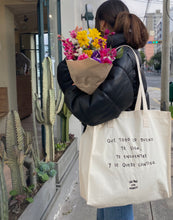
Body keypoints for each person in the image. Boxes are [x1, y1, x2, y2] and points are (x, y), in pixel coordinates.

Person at [57, 0, 149, 219]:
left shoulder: (122, 57)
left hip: (117, 156)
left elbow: (94, 109)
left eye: (99, 27)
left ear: (104, 24)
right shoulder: (114, 54)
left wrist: (70, 89)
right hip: (114, 155)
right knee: (108, 207)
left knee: (116, 207)